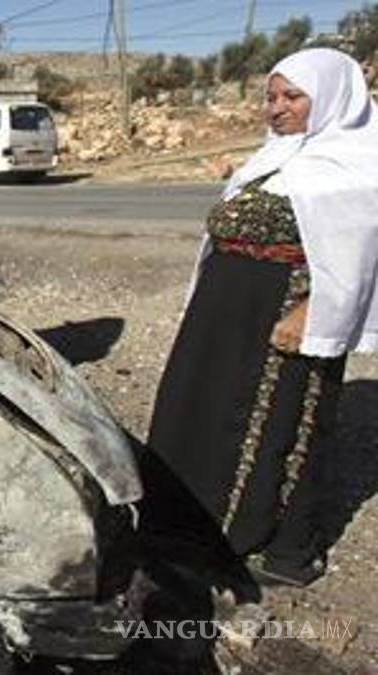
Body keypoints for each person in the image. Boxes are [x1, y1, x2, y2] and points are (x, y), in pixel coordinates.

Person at [146, 49, 378, 587]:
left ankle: (269, 544)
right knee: (199, 408)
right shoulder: (275, 156)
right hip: (223, 310)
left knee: (275, 424)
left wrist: (314, 308)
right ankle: (189, 528)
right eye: (271, 96)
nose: (276, 107)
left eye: (292, 96)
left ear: (332, 96)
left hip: (284, 311)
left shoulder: (359, 163)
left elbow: (363, 251)